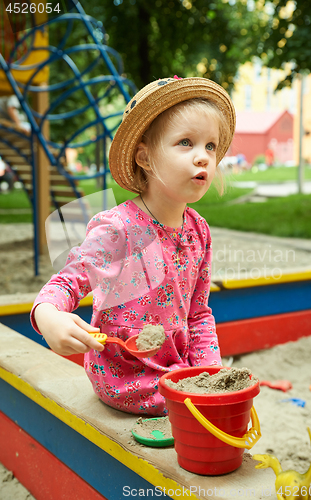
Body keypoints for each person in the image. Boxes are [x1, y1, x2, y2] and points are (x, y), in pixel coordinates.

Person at [31, 76, 236, 415]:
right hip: (125, 380)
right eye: (186, 142)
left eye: (210, 146)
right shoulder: (119, 228)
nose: (203, 157)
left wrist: (209, 374)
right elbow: (68, 281)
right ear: (145, 158)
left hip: (177, 372)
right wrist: (48, 315)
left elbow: (198, 314)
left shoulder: (199, 231)